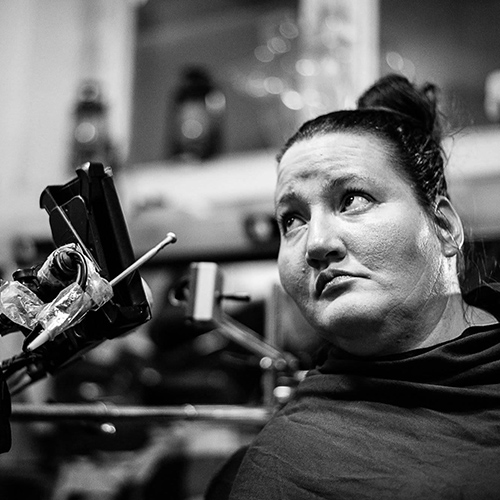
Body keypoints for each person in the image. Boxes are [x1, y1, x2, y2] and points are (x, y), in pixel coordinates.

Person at [206, 74, 500, 499]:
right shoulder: (284, 465)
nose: (316, 243)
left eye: (352, 200)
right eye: (292, 220)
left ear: (443, 226)